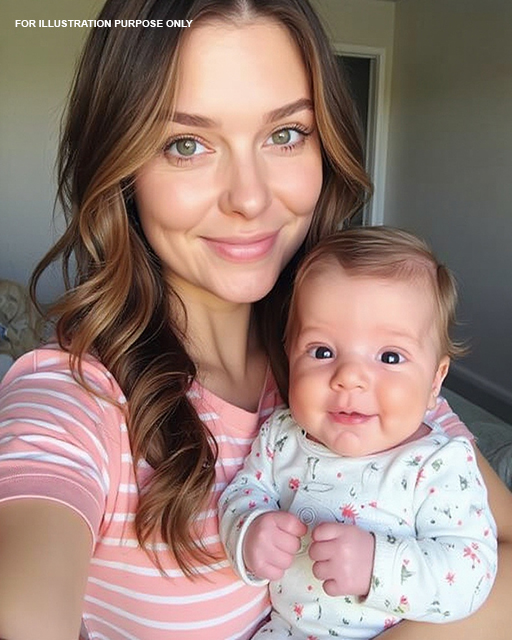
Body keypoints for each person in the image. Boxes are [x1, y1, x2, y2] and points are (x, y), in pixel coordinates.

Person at [0, 1, 511, 640]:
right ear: (121, 168)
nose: (249, 198)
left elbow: (500, 544)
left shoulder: (360, 365)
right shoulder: (73, 401)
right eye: (186, 144)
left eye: (286, 134)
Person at [219, 226, 497, 639]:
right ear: (289, 355)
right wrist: (248, 532)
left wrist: (378, 566)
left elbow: (472, 571)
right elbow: (244, 492)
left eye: (390, 357)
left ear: (435, 381)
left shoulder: (439, 464)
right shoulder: (282, 436)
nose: (349, 377)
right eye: (322, 351)